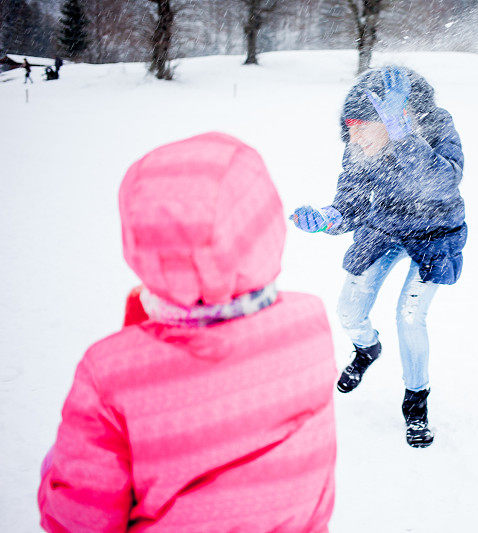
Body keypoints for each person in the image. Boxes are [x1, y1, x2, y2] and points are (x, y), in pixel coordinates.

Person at [37, 133, 338, 531]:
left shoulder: (110, 373)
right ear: (265, 223)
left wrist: (52, 465)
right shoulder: (309, 324)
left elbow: (78, 517)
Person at [289, 66, 467, 449]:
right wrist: (327, 218)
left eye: (362, 126)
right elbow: (350, 201)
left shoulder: (436, 126)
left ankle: (415, 404)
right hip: (384, 226)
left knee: (409, 315)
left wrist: (403, 139)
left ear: (395, 118)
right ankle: (367, 348)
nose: (354, 137)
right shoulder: (359, 149)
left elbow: (443, 182)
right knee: (349, 310)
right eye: (349, 127)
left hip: (434, 232)